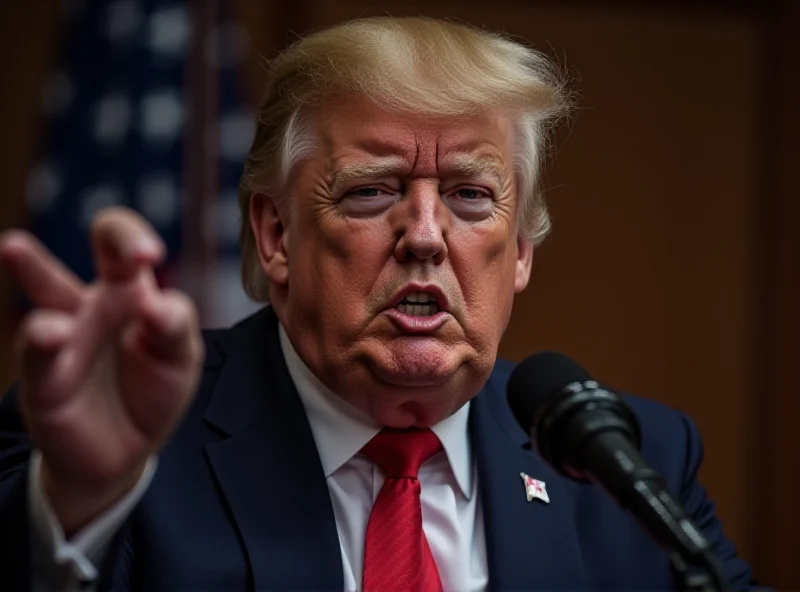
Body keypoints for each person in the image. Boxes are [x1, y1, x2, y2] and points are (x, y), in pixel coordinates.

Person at [0, 16, 754, 592]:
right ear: (276, 235)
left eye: (468, 195)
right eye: (370, 191)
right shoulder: (126, 439)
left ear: (521, 249)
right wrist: (76, 504)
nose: (425, 236)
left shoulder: (630, 462)